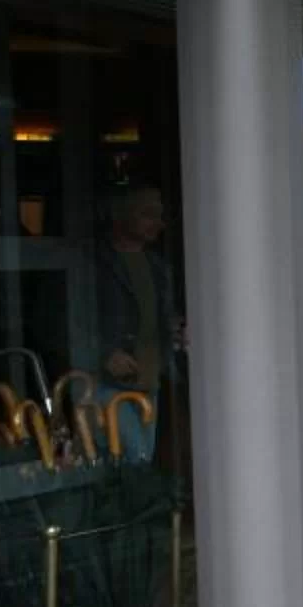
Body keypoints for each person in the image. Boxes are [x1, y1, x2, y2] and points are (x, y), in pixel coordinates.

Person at [91, 184, 182, 461]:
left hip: (149, 380)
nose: (159, 224)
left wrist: (176, 330)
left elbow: (159, 317)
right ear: (120, 214)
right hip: (106, 382)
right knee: (136, 460)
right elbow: (65, 316)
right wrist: (104, 353)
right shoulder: (94, 263)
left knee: (139, 461)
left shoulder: (157, 266)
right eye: (148, 214)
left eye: (160, 215)